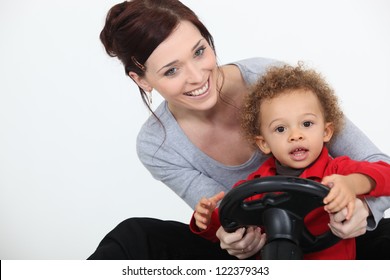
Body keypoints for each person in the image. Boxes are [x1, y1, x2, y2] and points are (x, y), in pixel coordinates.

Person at [88, 0, 390, 260]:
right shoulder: (157, 145)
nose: (196, 76)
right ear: (142, 80)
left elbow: (382, 167)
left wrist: (365, 208)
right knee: (135, 237)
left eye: (199, 52)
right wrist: (227, 234)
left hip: (336, 236)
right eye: (171, 70)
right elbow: (221, 213)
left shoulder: (269, 80)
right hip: (259, 252)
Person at [190, 64, 390, 259]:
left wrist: (353, 184)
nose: (296, 135)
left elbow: (386, 174)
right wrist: (206, 221)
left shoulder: (337, 171)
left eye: (307, 124)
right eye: (280, 129)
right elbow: (230, 225)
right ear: (264, 143)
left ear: (326, 132)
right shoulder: (254, 186)